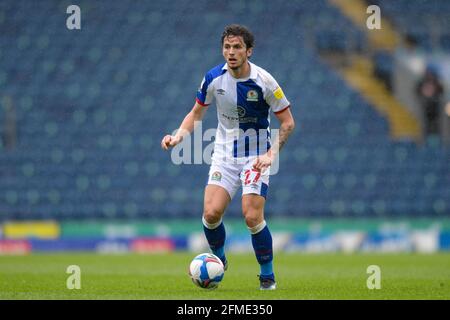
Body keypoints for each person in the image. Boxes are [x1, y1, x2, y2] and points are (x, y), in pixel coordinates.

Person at [161, 24, 295, 290]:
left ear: (249, 51)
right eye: (227, 47)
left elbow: (288, 123)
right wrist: (178, 137)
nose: (231, 52)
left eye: (237, 47)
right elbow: (196, 114)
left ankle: (267, 276)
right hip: (224, 154)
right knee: (211, 214)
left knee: (251, 216)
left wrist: (271, 154)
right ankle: (219, 261)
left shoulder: (265, 81)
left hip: (257, 156)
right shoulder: (213, 78)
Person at [416, 67, 444, 138]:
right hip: (425, 107)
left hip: (435, 107)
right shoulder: (422, 82)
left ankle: (439, 139)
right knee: (425, 125)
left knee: (437, 125)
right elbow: (418, 91)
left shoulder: (436, 83)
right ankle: (424, 140)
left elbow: (441, 91)